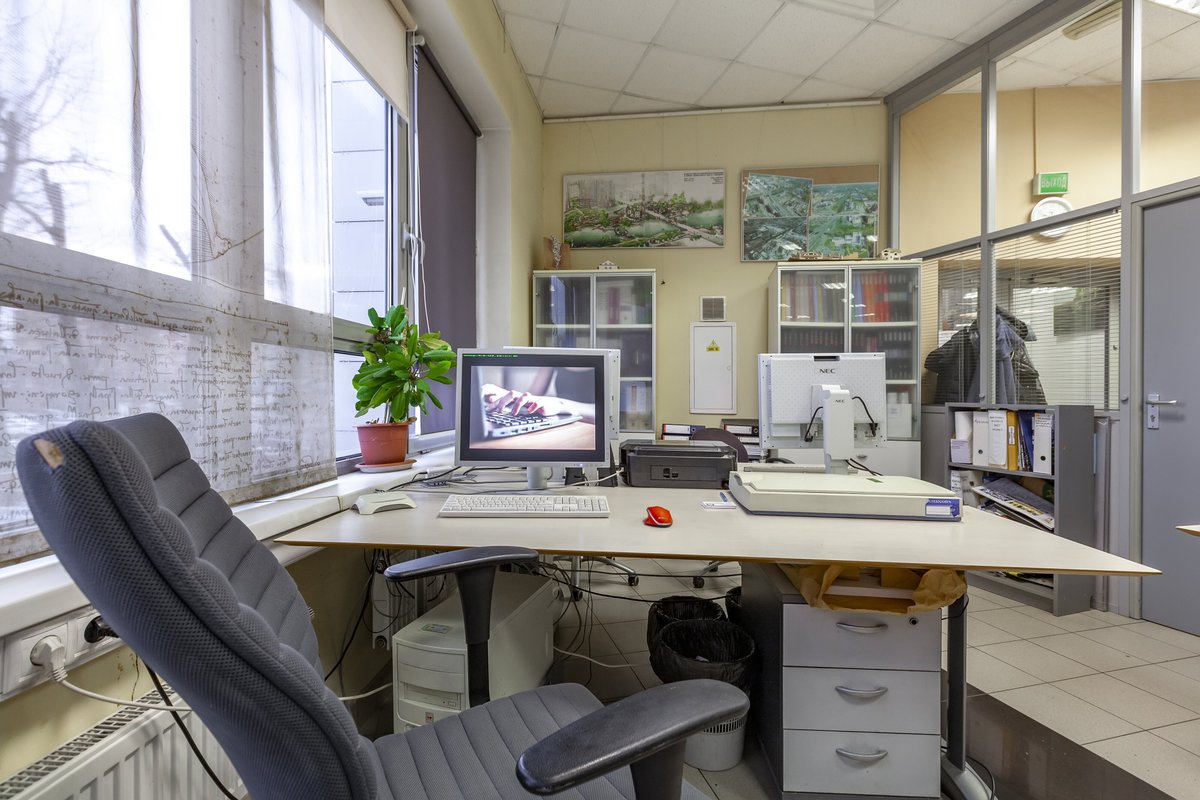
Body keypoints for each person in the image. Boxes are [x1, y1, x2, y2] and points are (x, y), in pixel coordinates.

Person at [480, 366, 596, 423]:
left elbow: (604, 412)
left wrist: (558, 403)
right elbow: (533, 395)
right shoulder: (555, 352)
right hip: (561, 423)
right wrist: (511, 397)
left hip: (589, 428)